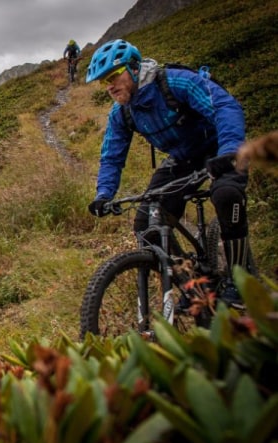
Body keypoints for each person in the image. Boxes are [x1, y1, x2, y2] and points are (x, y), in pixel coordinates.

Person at [84, 39, 249, 307]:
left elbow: (225, 107)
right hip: (182, 158)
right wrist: (104, 194)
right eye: (104, 82)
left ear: (134, 67)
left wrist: (229, 151)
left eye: (113, 76)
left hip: (219, 148)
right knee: (146, 226)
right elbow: (112, 155)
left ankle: (239, 280)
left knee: (227, 193)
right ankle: (193, 286)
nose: (110, 86)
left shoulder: (176, 82)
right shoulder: (122, 113)